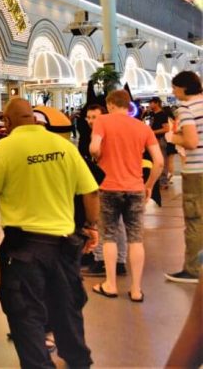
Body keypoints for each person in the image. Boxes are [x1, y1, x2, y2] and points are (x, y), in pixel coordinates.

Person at [0, 98, 100, 368]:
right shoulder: (63, 146)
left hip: (24, 249)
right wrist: (91, 226)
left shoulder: (4, 148)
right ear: (33, 118)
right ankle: (79, 362)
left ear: (7, 122)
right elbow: (90, 190)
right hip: (65, 246)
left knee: (25, 314)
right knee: (67, 310)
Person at [90, 90, 164, 301]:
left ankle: (111, 285)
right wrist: (148, 185)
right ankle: (136, 289)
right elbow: (158, 161)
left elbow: (94, 147)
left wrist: (98, 156)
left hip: (108, 187)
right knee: (136, 238)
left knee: (110, 236)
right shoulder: (142, 127)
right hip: (135, 188)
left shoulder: (102, 121)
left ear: (111, 104)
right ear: (128, 105)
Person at [165, 71, 203, 283]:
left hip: (197, 172)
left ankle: (193, 269)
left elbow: (190, 141)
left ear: (184, 88)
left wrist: (172, 136)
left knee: (195, 220)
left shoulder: (187, 109)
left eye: (175, 87)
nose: (173, 91)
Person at [81, 104, 128, 277]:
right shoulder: (96, 134)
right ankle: (118, 261)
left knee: (105, 223)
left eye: (95, 117)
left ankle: (102, 261)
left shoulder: (101, 136)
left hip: (109, 183)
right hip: (118, 183)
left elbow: (96, 155)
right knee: (116, 223)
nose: (91, 121)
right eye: (89, 117)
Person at [147, 97, 171, 187]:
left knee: (162, 160)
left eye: (151, 103)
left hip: (159, 140)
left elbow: (166, 128)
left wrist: (153, 132)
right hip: (151, 140)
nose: (150, 105)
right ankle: (156, 181)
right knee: (153, 161)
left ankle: (163, 181)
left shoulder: (162, 114)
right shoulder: (151, 114)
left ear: (157, 103)